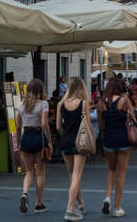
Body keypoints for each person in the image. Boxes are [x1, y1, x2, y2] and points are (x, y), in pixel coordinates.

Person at [56, 77, 93, 221]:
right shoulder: (84, 104)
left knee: (72, 176)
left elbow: (58, 126)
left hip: (65, 140)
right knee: (77, 176)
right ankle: (70, 209)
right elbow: (88, 124)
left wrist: (65, 134)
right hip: (80, 141)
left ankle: (80, 204)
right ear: (81, 88)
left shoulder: (61, 104)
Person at [98, 78, 136, 217]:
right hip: (123, 138)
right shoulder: (124, 100)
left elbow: (101, 125)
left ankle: (107, 197)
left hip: (109, 138)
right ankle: (117, 207)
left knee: (111, 170)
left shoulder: (101, 103)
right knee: (121, 173)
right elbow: (133, 119)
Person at [16, 79, 52, 214]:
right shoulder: (43, 104)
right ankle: (38, 204)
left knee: (29, 172)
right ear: (40, 90)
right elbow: (44, 124)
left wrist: (20, 142)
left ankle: (24, 194)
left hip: (26, 137)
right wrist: (49, 141)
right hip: (38, 137)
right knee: (40, 173)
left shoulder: (21, 105)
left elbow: (18, 126)